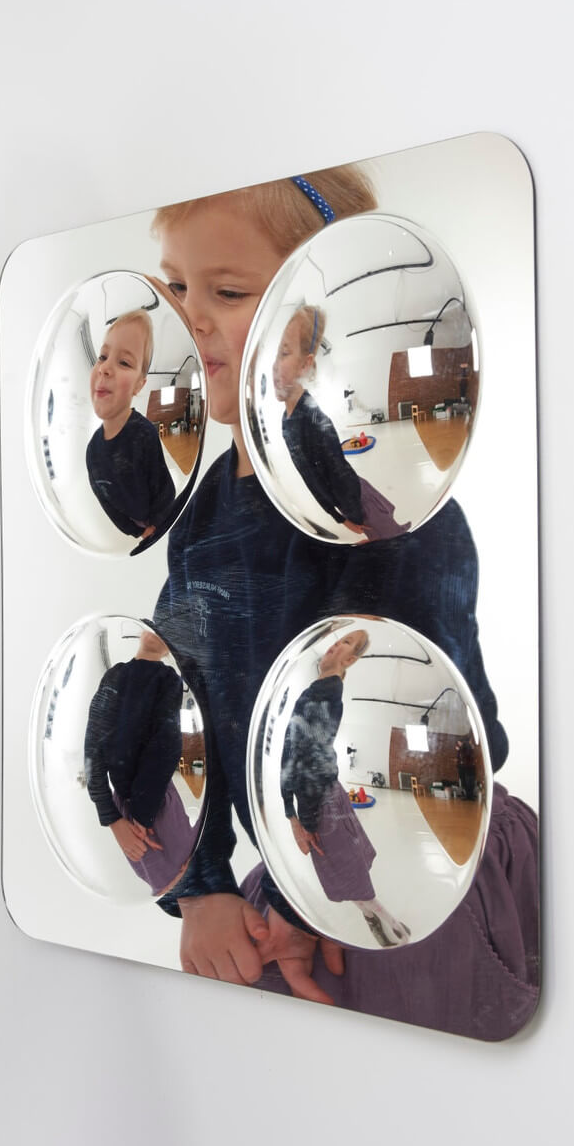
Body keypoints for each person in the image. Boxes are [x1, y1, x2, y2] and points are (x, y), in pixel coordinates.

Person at [150, 165, 539, 1038]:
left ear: (315, 328)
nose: (189, 316)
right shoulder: (204, 507)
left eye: (228, 289)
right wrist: (204, 886)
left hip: (420, 862)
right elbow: (180, 711)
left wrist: (321, 879)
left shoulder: (384, 497)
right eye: (175, 285)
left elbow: (424, 723)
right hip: (300, 875)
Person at [280, 631, 410, 947]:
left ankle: (387, 927)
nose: (335, 643)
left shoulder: (326, 691)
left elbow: (311, 756)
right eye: (338, 640)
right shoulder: (317, 690)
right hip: (320, 799)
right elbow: (291, 751)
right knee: (344, 870)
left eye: (346, 643)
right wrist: (291, 814)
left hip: (320, 802)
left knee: (346, 870)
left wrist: (304, 819)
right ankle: (382, 922)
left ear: (349, 660)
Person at [273, 305, 409, 540]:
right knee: (377, 524)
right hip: (349, 494)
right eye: (275, 355)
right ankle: (386, 535)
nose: (274, 366)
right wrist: (341, 517)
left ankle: (390, 532)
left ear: (305, 364)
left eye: (284, 353)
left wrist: (343, 515)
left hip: (351, 491)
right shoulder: (289, 421)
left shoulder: (311, 417)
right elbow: (312, 478)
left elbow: (327, 470)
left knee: (380, 520)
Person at [84, 630, 198, 896]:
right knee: (166, 885)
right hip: (128, 810)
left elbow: (167, 745)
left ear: (169, 651)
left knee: (178, 882)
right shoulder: (115, 675)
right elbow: (93, 745)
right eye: (153, 625)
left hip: (154, 804)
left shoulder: (168, 680)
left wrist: (140, 815)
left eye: (166, 632)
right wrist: (111, 817)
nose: (158, 631)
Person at [85, 310, 176, 542]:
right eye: (103, 356)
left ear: (139, 385)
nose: (105, 368)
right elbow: (105, 500)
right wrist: (134, 531)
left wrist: (155, 526)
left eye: (124, 362)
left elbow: (165, 489)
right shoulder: (92, 450)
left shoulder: (144, 434)